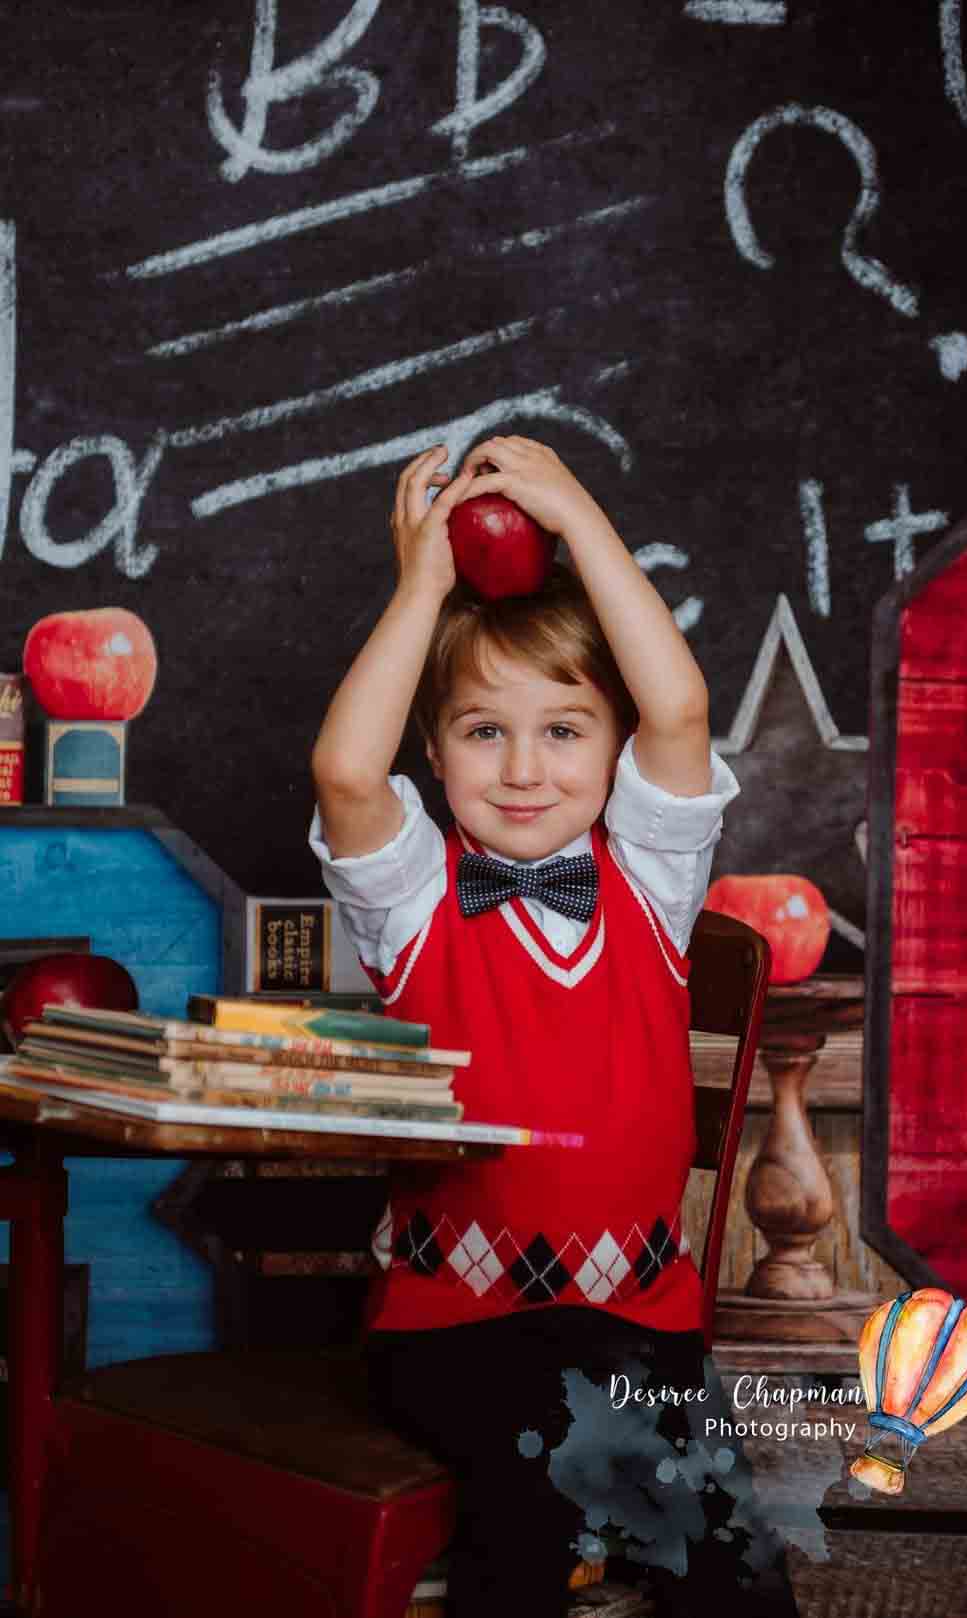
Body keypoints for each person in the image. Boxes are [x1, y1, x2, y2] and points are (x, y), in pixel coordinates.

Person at [309, 436, 797, 1617]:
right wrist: (423, 584)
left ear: (618, 752)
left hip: (644, 1328)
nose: (524, 766)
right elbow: (342, 770)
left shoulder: (651, 880)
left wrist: (577, 516)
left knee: (730, 1553)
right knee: (532, 1497)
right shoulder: (416, 893)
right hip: (455, 1330)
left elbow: (678, 700)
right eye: (484, 731)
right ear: (436, 752)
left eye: (565, 730)